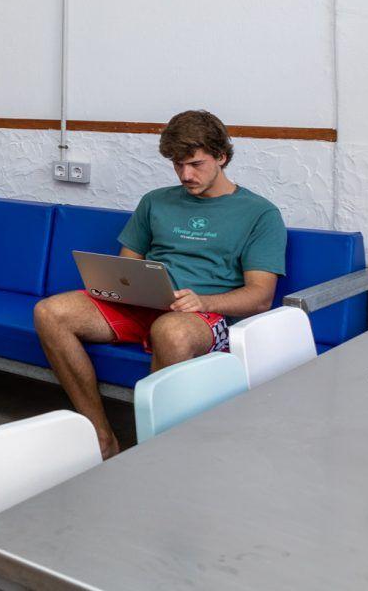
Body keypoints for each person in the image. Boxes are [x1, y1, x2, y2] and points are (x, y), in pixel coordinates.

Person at [33, 109, 286, 459]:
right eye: (178, 165)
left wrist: (205, 303)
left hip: (203, 316)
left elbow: (261, 296)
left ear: (222, 156)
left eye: (196, 164)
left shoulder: (260, 214)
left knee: (171, 331)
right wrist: (115, 287)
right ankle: (101, 439)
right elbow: (127, 265)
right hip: (145, 303)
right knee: (50, 312)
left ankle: (150, 453)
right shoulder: (156, 201)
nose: (186, 174)